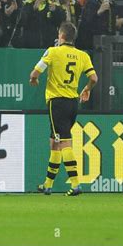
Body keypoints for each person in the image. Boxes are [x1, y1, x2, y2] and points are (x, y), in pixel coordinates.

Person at [29, 21, 98, 196]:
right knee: (54, 142)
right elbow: (94, 78)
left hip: (57, 102)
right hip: (72, 103)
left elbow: (35, 73)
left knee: (64, 141)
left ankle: (75, 185)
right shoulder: (83, 56)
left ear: (61, 36)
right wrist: (87, 89)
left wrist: (34, 80)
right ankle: (48, 185)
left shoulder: (53, 52)